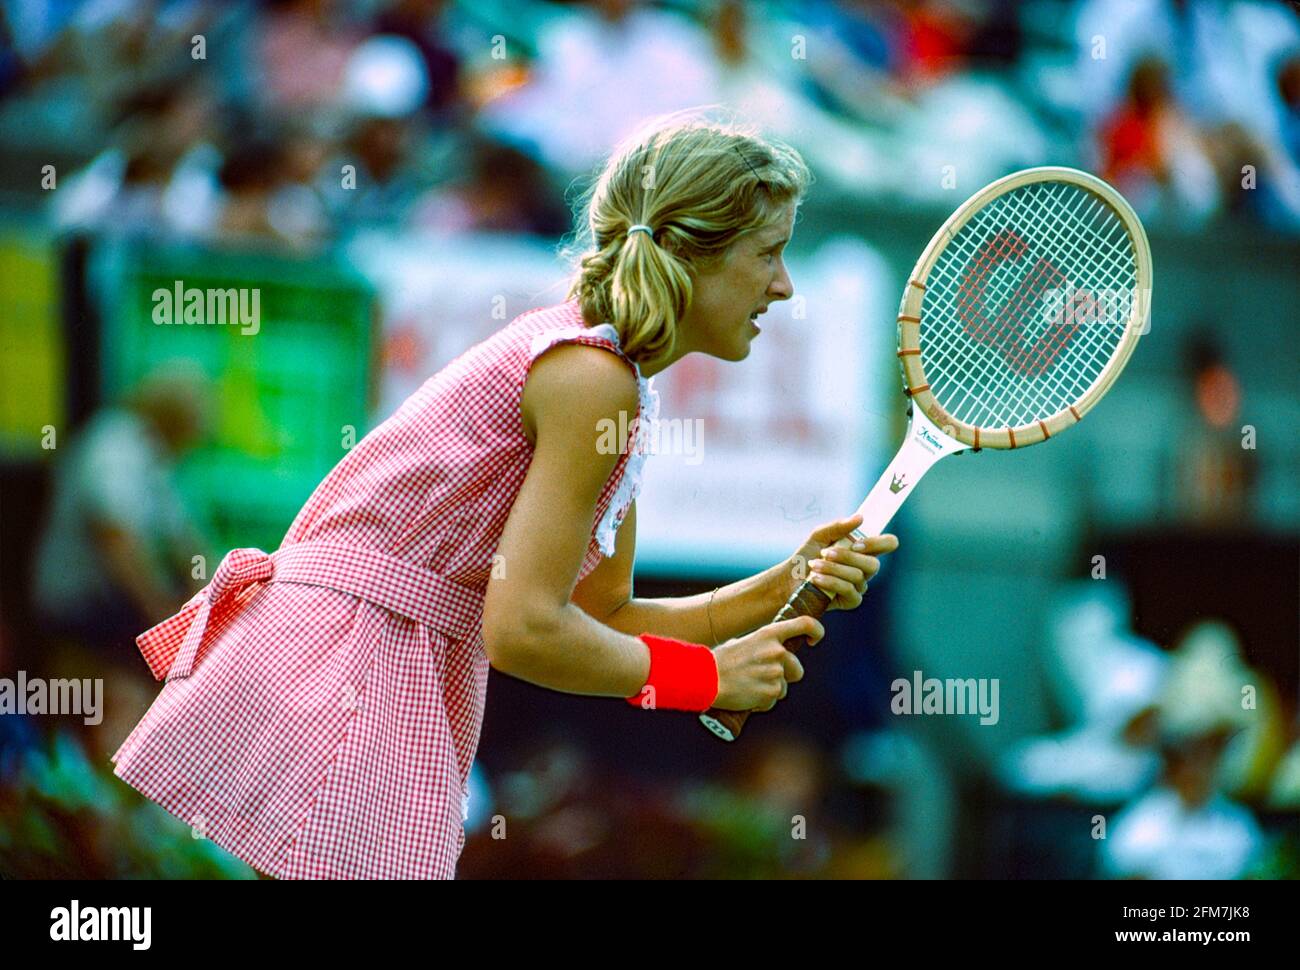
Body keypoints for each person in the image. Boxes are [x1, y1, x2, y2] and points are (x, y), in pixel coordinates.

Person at [110, 113, 899, 879]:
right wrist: (706, 680)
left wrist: (784, 581)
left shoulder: (612, 382)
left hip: (361, 657)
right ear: (696, 251)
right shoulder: (594, 382)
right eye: (770, 252)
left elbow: (599, 621)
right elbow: (524, 631)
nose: (784, 285)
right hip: (349, 665)